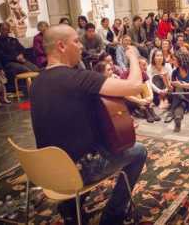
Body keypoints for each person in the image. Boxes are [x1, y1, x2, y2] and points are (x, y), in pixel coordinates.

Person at [30, 24, 147, 225]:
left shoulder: (36, 83)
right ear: (61, 46)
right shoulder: (79, 79)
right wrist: (133, 57)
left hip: (47, 170)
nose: (81, 46)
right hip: (79, 171)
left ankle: (69, 209)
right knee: (139, 151)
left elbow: (68, 121)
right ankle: (113, 216)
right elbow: (136, 85)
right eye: (76, 41)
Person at [164, 51, 189, 132]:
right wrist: (165, 80)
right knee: (181, 103)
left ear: (180, 60)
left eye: (174, 60)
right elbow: (172, 89)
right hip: (181, 97)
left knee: (179, 97)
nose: (172, 62)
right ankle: (178, 118)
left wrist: (181, 85)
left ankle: (171, 111)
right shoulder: (175, 72)